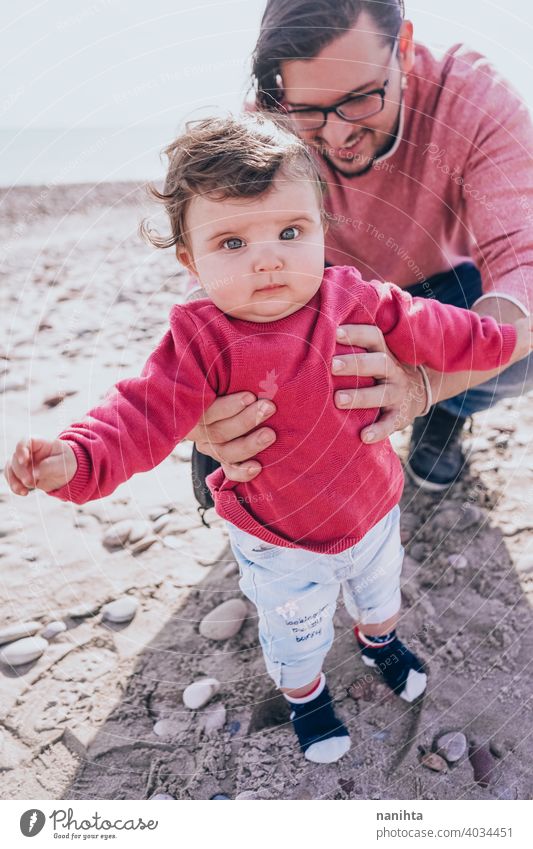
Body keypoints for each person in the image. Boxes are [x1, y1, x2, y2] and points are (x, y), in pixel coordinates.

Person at [5, 115, 531, 764]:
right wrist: (78, 457)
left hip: (371, 510)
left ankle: (378, 641)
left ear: (320, 230)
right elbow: (137, 412)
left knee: (379, 592)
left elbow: (432, 327)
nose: (267, 256)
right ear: (189, 261)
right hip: (281, 542)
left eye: (289, 231)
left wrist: (503, 336)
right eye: (231, 241)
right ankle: (307, 697)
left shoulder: (350, 297)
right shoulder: (200, 338)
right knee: (295, 635)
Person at [187, 0, 533, 499]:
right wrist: (204, 404)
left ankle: (446, 413)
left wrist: (424, 387)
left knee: (522, 339)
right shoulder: (267, 127)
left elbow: (522, 262)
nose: (338, 134)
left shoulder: (473, 100)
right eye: (308, 111)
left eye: (361, 98)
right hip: (318, 291)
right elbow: (216, 271)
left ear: (405, 50)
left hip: (447, 293)